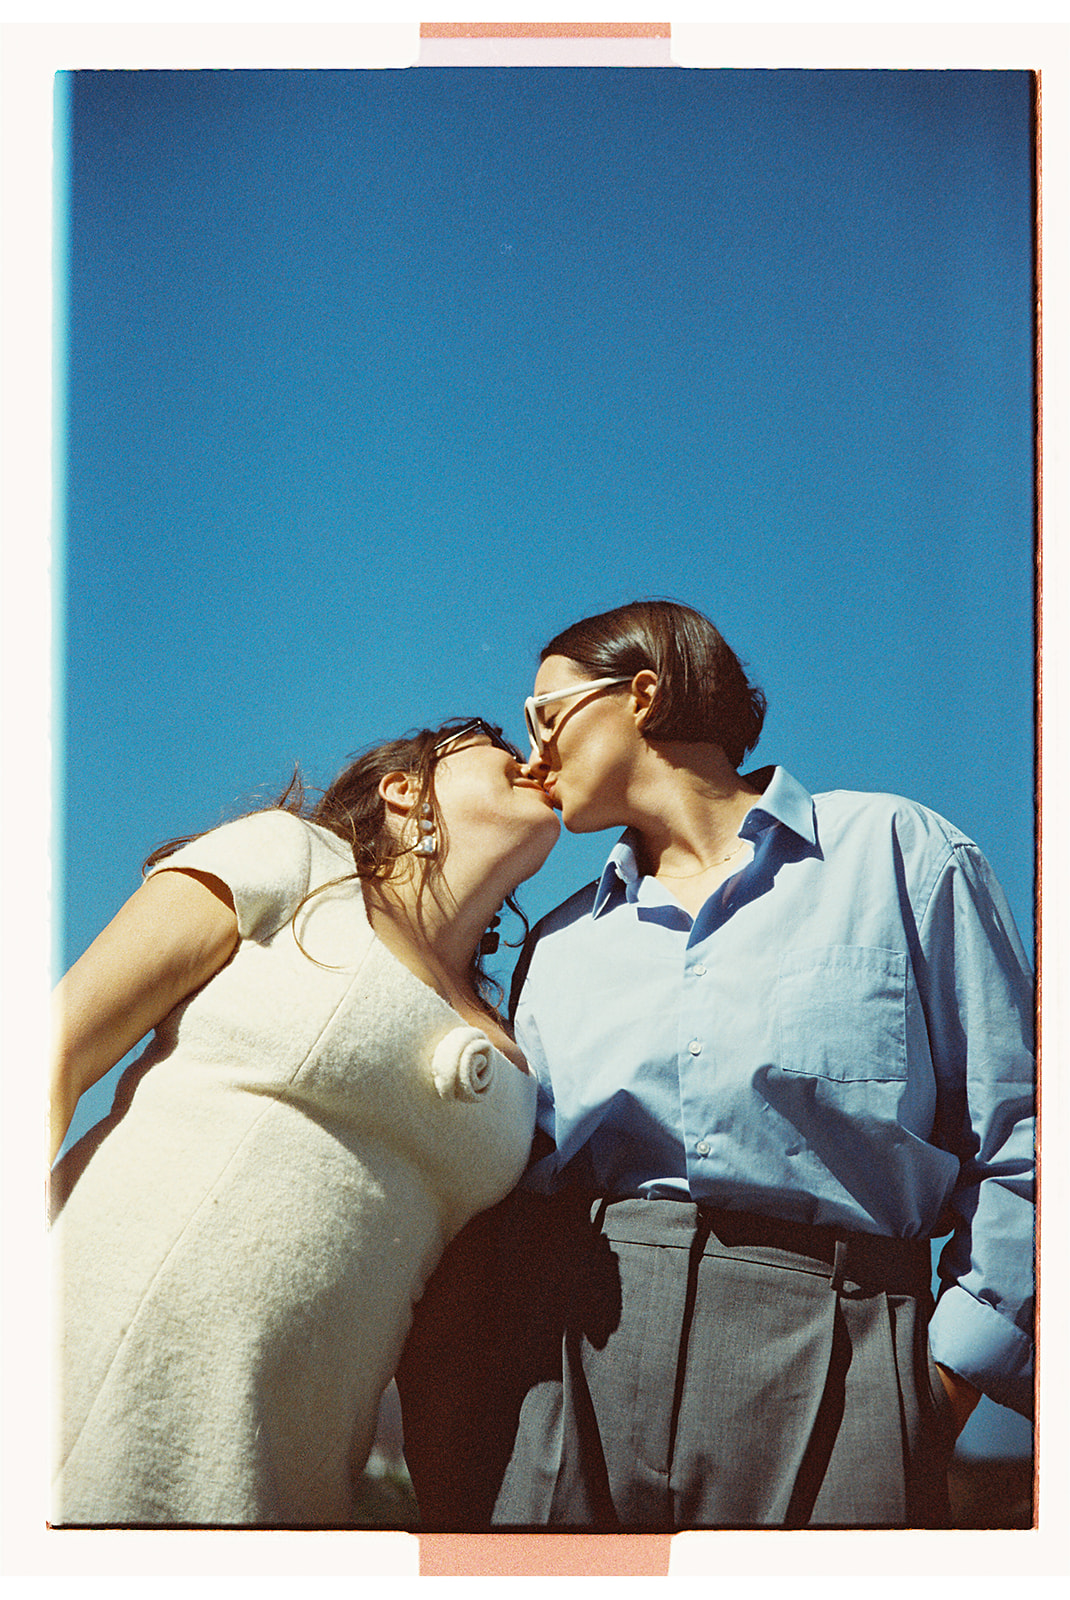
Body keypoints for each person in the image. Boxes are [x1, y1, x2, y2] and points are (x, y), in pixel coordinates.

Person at [397, 600, 1034, 1532]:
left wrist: (940, 1385)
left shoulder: (899, 853)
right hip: (570, 1372)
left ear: (643, 694)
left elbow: (1023, 1138)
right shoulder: (561, 945)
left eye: (544, 715)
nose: (533, 759)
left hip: (840, 1356)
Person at [49, 717, 559, 1527]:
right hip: (89, 1348)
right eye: (499, 746)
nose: (534, 758)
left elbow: (449, 1345)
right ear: (405, 788)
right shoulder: (292, 860)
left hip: (295, 1455)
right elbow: (53, 1057)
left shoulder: (520, 1050)